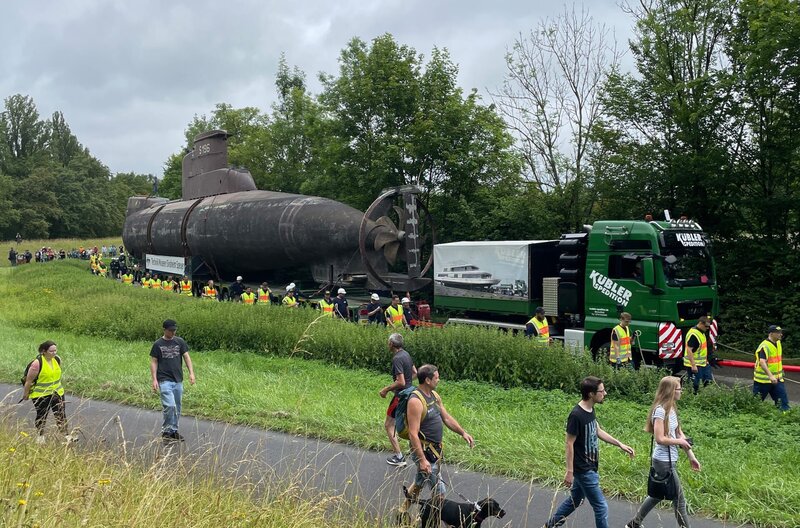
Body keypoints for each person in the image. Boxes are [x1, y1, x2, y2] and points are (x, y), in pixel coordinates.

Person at [542, 376, 635, 528]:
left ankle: (549, 526)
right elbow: (569, 443)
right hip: (583, 469)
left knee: (575, 500)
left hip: (589, 466)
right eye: (602, 391)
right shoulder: (576, 415)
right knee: (601, 506)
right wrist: (569, 471)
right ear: (591, 394)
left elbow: (597, 430)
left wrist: (620, 444)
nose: (604, 393)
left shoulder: (589, 409)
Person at [398, 364, 474, 520]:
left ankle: (401, 512)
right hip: (425, 451)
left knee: (419, 482)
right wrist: (422, 459)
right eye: (437, 377)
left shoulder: (434, 395)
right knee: (440, 491)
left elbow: (446, 417)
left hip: (435, 449)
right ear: (427, 380)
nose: (439, 379)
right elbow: (413, 434)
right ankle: (430, 519)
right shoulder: (415, 401)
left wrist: (463, 433)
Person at [625, 376, 700, 528]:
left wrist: (691, 456)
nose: (681, 391)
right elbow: (660, 438)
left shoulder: (672, 408)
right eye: (679, 388)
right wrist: (679, 442)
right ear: (671, 391)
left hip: (670, 459)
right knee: (679, 500)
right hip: (663, 462)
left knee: (656, 496)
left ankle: (634, 524)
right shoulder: (660, 411)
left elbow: (679, 434)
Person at [150, 319, 196, 441]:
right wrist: (154, 379)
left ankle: (173, 431)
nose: (173, 332)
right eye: (171, 330)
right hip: (164, 379)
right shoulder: (158, 344)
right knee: (170, 406)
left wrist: (191, 373)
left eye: (174, 330)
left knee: (177, 407)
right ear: (164, 330)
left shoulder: (179, 341)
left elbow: (186, 357)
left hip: (177, 379)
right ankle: (166, 431)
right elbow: (154, 361)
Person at [22, 340, 75, 444]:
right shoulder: (37, 364)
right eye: (51, 351)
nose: (54, 353)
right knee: (42, 415)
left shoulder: (57, 360)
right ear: (43, 351)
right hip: (41, 395)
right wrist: (26, 394)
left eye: (55, 350)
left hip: (57, 393)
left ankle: (66, 435)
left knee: (61, 414)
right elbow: (29, 381)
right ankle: (40, 436)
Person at [379, 333, 417, 467]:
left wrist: (386, 389)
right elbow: (415, 373)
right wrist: (408, 384)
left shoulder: (397, 359)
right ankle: (419, 453)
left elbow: (400, 382)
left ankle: (399, 457)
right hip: (411, 393)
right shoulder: (406, 354)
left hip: (400, 396)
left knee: (389, 424)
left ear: (391, 344)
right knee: (411, 425)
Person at [753, 325, 789, 411]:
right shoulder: (764, 346)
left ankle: (785, 419)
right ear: (771, 333)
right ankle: (751, 418)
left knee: (783, 402)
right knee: (756, 403)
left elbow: (776, 360)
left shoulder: (778, 343)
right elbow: (762, 362)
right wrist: (770, 376)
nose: (781, 334)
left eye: (781, 332)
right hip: (763, 380)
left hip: (777, 379)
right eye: (778, 333)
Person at [683, 316, 712, 393]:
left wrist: (706, 360)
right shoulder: (694, 334)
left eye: (708, 327)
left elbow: (702, 349)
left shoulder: (701, 332)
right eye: (706, 326)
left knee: (708, 381)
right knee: (695, 385)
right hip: (695, 365)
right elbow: (689, 350)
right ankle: (693, 398)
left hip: (703, 363)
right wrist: (693, 365)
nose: (707, 328)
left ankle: (704, 397)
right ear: (700, 324)